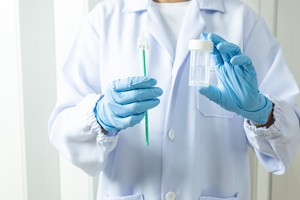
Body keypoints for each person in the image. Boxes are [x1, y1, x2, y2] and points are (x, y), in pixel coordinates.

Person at [48, 0, 300, 199]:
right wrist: (100, 116)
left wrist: (262, 113)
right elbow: (63, 127)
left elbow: (290, 134)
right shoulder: (104, 20)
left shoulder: (242, 20)